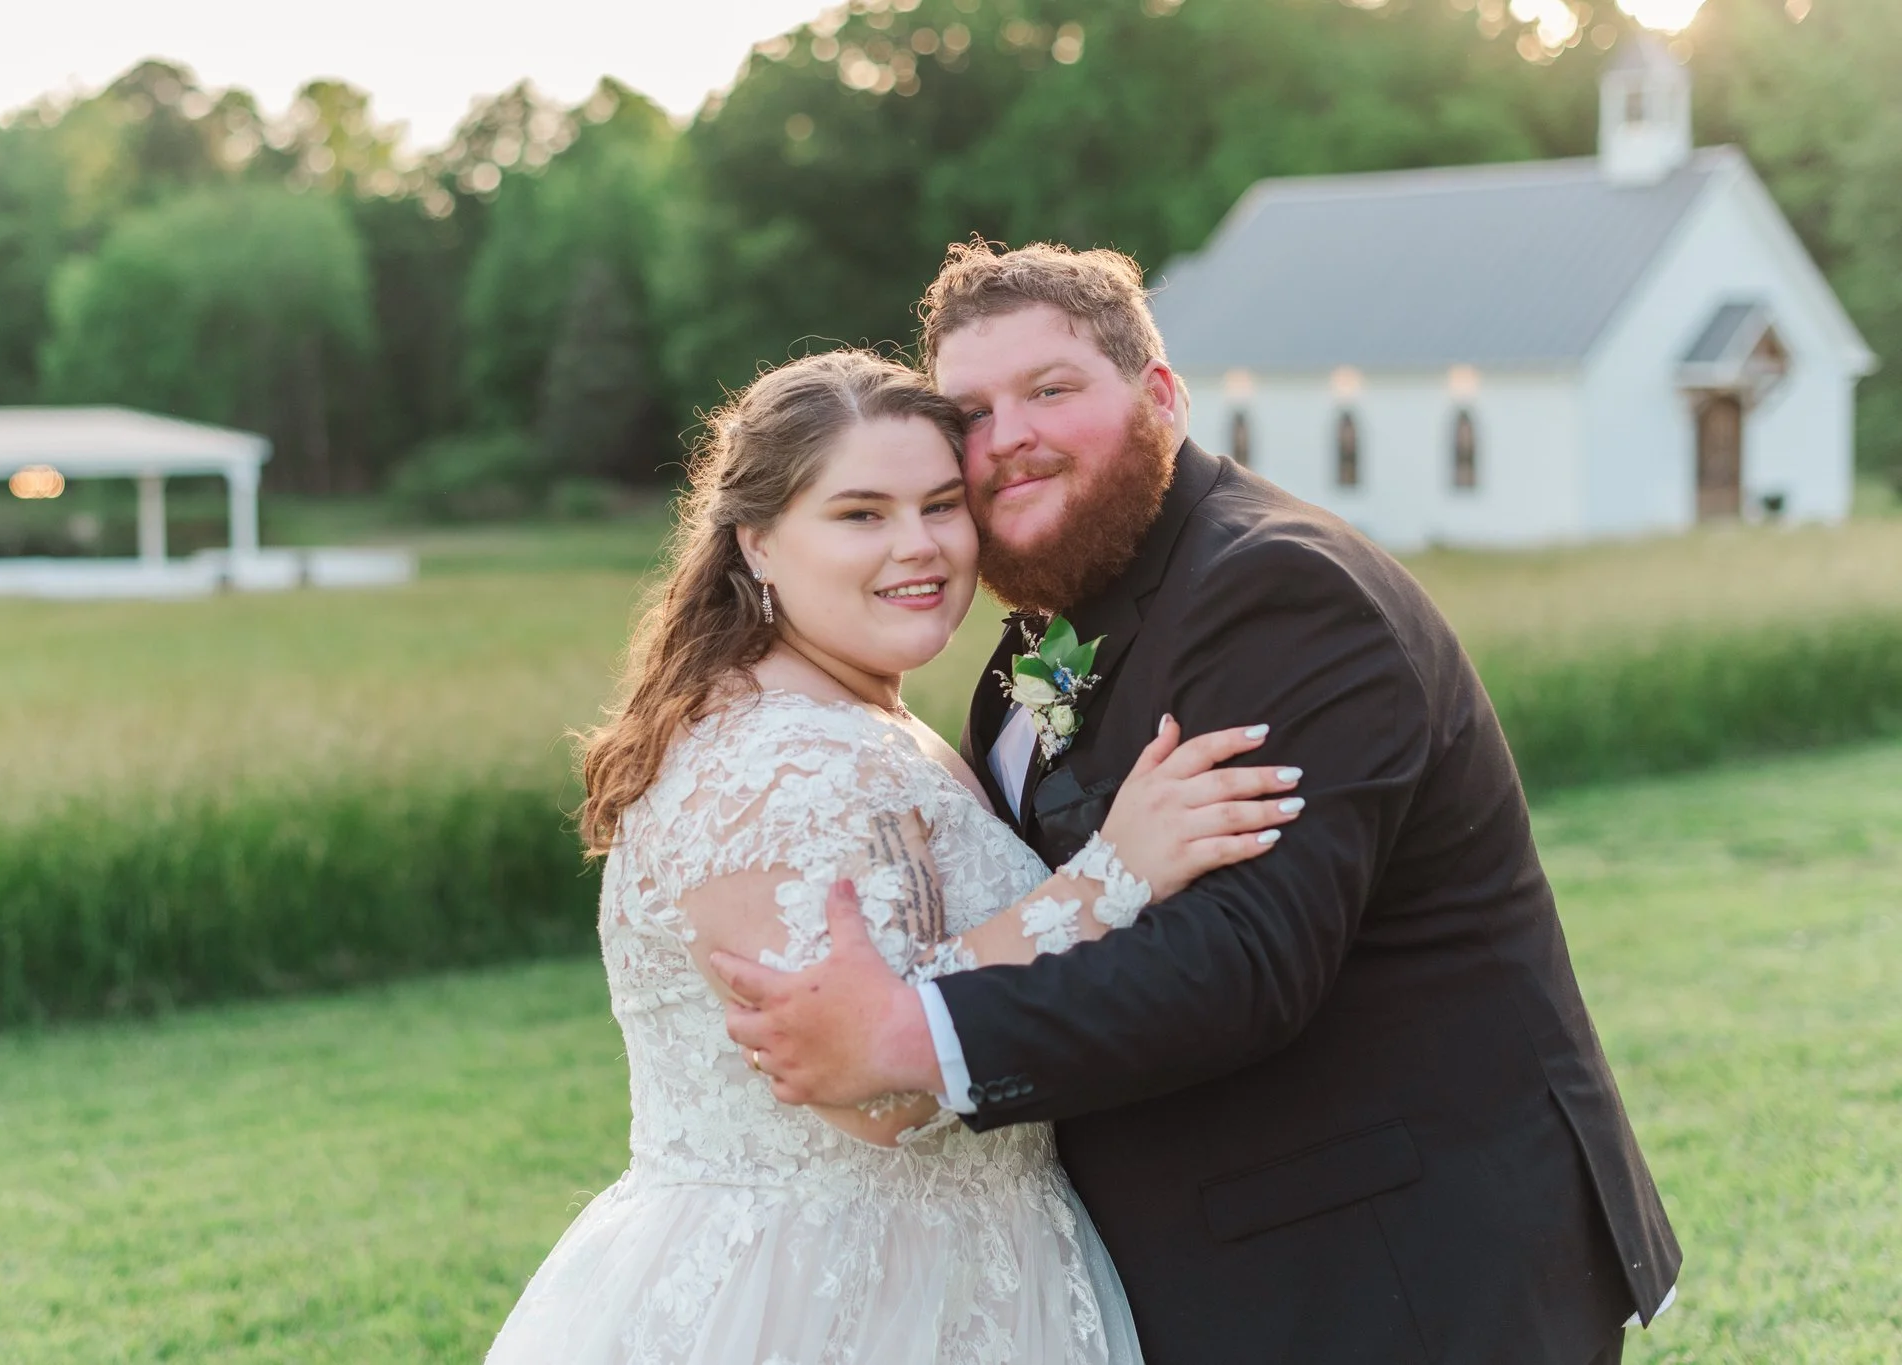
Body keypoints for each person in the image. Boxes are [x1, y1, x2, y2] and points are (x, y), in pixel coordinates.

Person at [716, 241, 1683, 1365]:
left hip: (1393, 1260)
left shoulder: (1276, 590)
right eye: (970, 412)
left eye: (1051, 390)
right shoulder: (1029, 652)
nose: (1006, 436)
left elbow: (1241, 962)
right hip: (1241, 1253)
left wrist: (908, 1033)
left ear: (1159, 396)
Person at [483, 349, 1301, 1363]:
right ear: (758, 544)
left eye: (940, 505)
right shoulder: (772, 770)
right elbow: (872, 1095)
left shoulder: (863, 720)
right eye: (860, 513)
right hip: (828, 1299)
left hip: (973, 1269)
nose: (916, 547)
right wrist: (1110, 877)